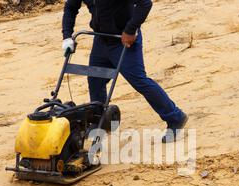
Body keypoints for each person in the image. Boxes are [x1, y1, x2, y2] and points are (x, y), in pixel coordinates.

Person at [62, 0, 188, 143]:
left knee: (139, 81)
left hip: (124, 40)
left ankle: (175, 117)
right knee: (95, 80)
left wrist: (130, 29)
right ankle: (99, 121)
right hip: (101, 39)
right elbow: (71, 7)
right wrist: (67, 37)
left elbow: (145, 4)